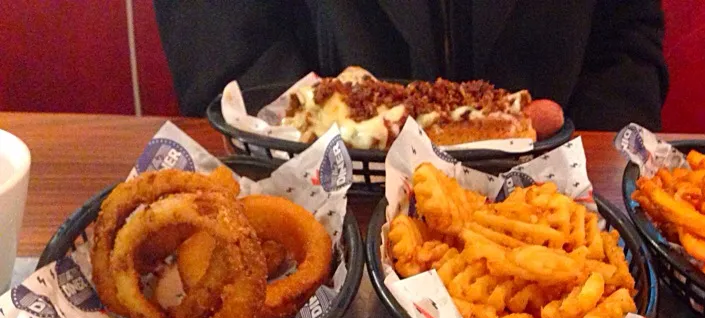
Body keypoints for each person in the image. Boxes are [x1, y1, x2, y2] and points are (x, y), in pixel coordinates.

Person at [154, 0, 668, 131]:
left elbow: (625, 46)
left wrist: (577, 170)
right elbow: (225, 51)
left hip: (553, 217)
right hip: (320, 209)